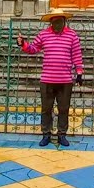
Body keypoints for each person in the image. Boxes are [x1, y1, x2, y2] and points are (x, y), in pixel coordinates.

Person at [16, 8, 84, 147]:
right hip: (47, 80)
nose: (58, 25)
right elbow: (33, 49)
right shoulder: (43, 35)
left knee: (63, 108)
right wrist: (23, 44)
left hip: (65, 80)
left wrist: (79, 73)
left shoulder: (72, 36)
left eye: (60, 22)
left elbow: (76, 55)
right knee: (46, 109)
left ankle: (62, 134)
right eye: (55, 22)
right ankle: (46, 134)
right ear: (51, 22)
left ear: (64, 22)